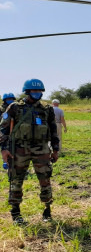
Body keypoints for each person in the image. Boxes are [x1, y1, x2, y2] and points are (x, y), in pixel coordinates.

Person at [0, 79, 59, 224]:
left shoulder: (46, 109)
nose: (37, 93)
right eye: (34, 91)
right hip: (19, 149)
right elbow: (3, 129)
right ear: (27, 92)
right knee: (16, 179)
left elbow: (53, 130)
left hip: (42, 149)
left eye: (39, 91)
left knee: (45, 179)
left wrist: (55, 149)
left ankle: (47, 211)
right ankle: (16, 213)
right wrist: (4, 149)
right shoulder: (15, 107)